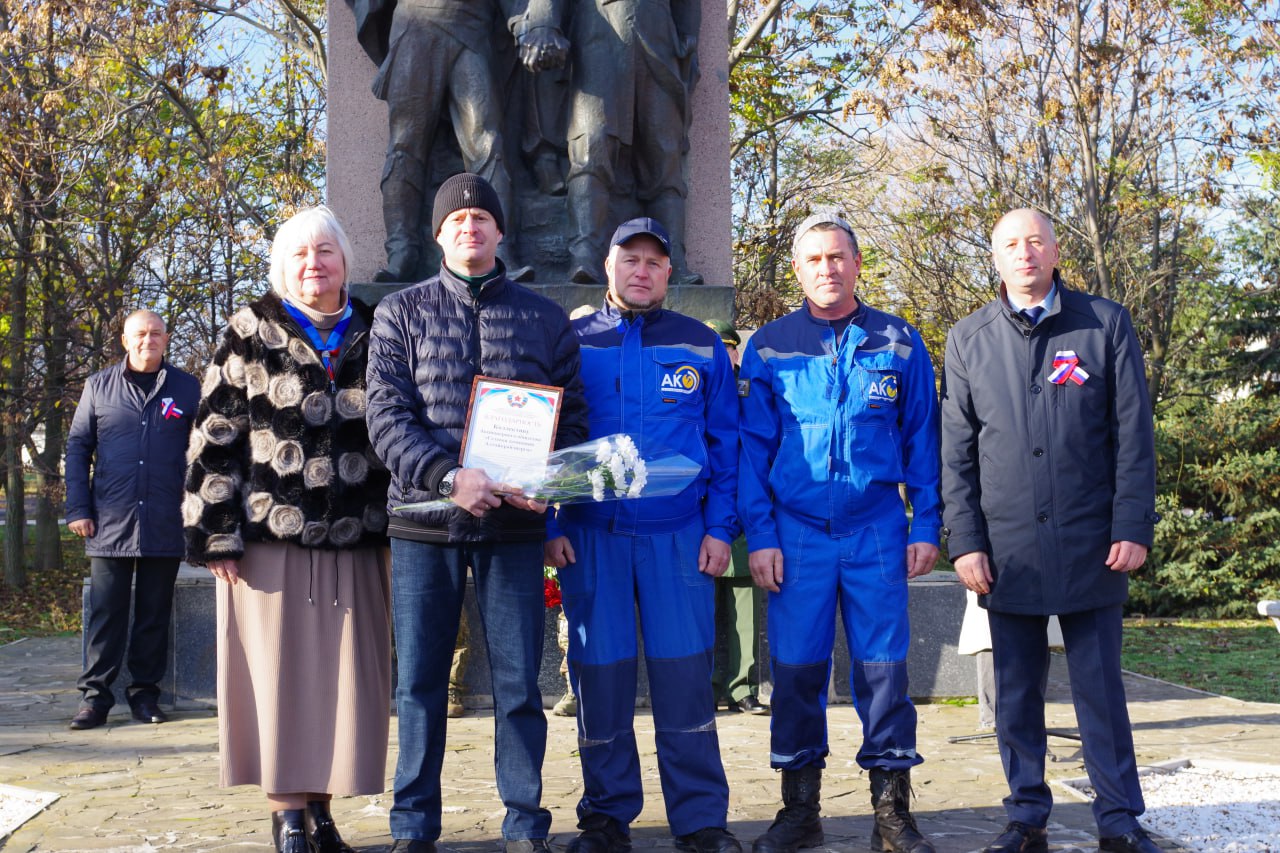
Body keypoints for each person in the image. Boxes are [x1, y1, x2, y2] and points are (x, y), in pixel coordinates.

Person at [365, 172, 589, 853]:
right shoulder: (398, 315)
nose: (470, 228)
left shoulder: (545, 317)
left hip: (512, 528)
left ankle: (525, 821)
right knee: (420, 684)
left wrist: (548, 480)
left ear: (499, 231)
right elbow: (386, 418)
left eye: (481, 219)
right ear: (438, 234)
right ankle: (413, 826)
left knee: (521, 683)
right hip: (424, 523)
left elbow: (572, 418)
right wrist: (448, 475)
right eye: (456, 221)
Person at [940, 208, 1162, 853]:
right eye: (1011, 244)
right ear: (996, 257)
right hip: (1006, 549)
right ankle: (1025, 815)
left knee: (1100, 691)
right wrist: (967, 541)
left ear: (1056, 249)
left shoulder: (1103, 324)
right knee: (1015, 694)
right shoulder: (968, 338)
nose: (1025, 253)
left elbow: (1133, 436)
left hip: (1095, 542)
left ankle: (1118, 819)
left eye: (1035, 241)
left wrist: (1131, 523)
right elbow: (956, 451)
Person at [183, 205, 393, 853]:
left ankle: (323, 811)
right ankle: (288, 816)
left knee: (341, 679)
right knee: (276, 679)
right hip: (269, 540)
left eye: (325, 252)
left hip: (358, 535)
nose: (313, 265)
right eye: (300, 255)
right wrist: (215, 531)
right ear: (282, 266)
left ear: (344, 261)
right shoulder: (249, 330)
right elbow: (215, 434)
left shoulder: (376, 329)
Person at [738, 213, 942, 853]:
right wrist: (761, 536)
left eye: (837, 257)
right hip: (795, 535)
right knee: (797, 671)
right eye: (814, 260)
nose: (827, 269)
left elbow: (923, 441)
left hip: (877, 530)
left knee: (884, 672)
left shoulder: (900, 341)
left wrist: (927, 522)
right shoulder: (768, 346)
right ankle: (800, 810)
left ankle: (892, 813)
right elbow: (749, 451)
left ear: (857, 264)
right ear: (797, 270)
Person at [544, 217, 741, 853]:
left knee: (685, 681)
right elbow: (544, 438)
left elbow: (726, 447)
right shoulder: (569, 342)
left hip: (679, 540)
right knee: (599, 681)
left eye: (655, 262)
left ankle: (701, 819)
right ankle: (605, 816)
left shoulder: (700, 345)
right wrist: (549, 524)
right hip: (590, 537)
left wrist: (719, 529)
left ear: (668, 273)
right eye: (631, 258)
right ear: (608, 265)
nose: (642, 271)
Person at [345, 0, 564, 282]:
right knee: (405, 146)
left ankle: (501, 251)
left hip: (472, 29)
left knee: (488, 144)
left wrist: (528, 26)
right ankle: (402, 253)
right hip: (415, 25)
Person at [64, 310, 200, 731]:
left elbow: (203, 454)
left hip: (165, 519)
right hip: (109, 521)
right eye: (139, 334)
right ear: (125, 340)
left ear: (166, 338)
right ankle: (95, 699)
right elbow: (77, 448)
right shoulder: (98, 386)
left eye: (156, 333)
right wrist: (78, 508)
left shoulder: (186, 387)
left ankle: (144, 695)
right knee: (107, 613)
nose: (148, 340)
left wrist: (198, 513)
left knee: (153, 613)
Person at [557, 0, 702, 285]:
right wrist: (541, 25)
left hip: (659, 39)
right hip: (597, 33)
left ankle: (673, 260)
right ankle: (585, 254)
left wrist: (688, 32)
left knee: (664, 151)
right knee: (591, 144)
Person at [704, 319, 767, 716]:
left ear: (735, 352)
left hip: (745, 512)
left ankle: (742, 686)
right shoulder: (693, 384)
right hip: (704, 515)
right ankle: (706, 687)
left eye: (724, 348)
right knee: (701, 613)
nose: (720, 356)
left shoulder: (751, 389)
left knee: (744, 611)